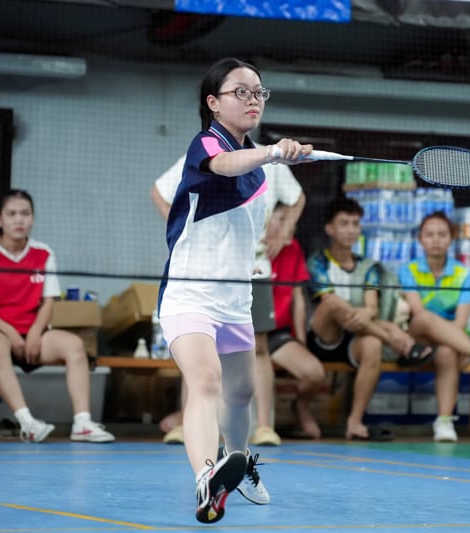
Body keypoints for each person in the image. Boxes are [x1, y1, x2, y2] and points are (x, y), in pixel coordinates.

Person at [157, 57, 312, 523]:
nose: (252, 99)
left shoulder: (263, 171)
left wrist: (282, 211)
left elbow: (273, 193)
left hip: (236, 299)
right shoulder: (207, 143)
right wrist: (272, 153)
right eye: (240, 92)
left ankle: (239, 464)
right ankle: (207, 478)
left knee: (241, 393)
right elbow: (224, 164)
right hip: (189, 294)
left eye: (258, 92)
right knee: (206, 382)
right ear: (213, 102)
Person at [151, 133, 305, 449]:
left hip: (254, 268)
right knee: (198, 351)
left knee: (258, 349)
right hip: (203, 273)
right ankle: (188, 423)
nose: (251, 108)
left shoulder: (271, 157)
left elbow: (297, 199)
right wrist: (185, 230)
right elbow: (159, 191)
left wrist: (285, 229)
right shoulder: (202, 152)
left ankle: (263, 427)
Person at [0, 189, 114, 444]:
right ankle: (27, 423)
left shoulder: (43, 252)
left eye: (25, 213)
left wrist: (36, 332)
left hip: (33, 331)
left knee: (75, 346)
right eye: (11, 214)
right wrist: (10, 333)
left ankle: (82, 423)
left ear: (33, 218)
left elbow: (49, 301)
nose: (19, 219)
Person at [306, 196, 431, 441]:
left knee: (373, 345)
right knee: (332, 303)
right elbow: (329, 303)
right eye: (344, 223)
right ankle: (397, 341)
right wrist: (383, 328)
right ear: (329, 229)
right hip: (325, 337)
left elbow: (371, 307)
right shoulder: (317, 262)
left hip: (357, 335)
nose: (351, 229)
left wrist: (365, 314)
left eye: (355, 223)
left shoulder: (369, 267)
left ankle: (354, 422)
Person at [399, 211, 470, 442]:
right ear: (420, 239)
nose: (436, 240)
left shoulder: (462, 274)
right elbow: (417, 313)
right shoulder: (408, 270)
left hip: (452, 340)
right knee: (425, 319)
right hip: (417, 338)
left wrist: (446, 338)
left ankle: (444, 421)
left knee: (447, 352)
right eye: (430, 234)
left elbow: (461, 322)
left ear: (452, 238)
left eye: (442, 234)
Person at [266, 204, 325, 439]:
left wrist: (300, 341)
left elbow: (298, 300)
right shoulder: (247, 249)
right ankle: (186, 417)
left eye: (291, 220)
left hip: (276, 334)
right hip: (244, 335)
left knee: (315, 374)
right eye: (281, 220)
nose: (289, 226)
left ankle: (300, 405)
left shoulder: (293, 249)